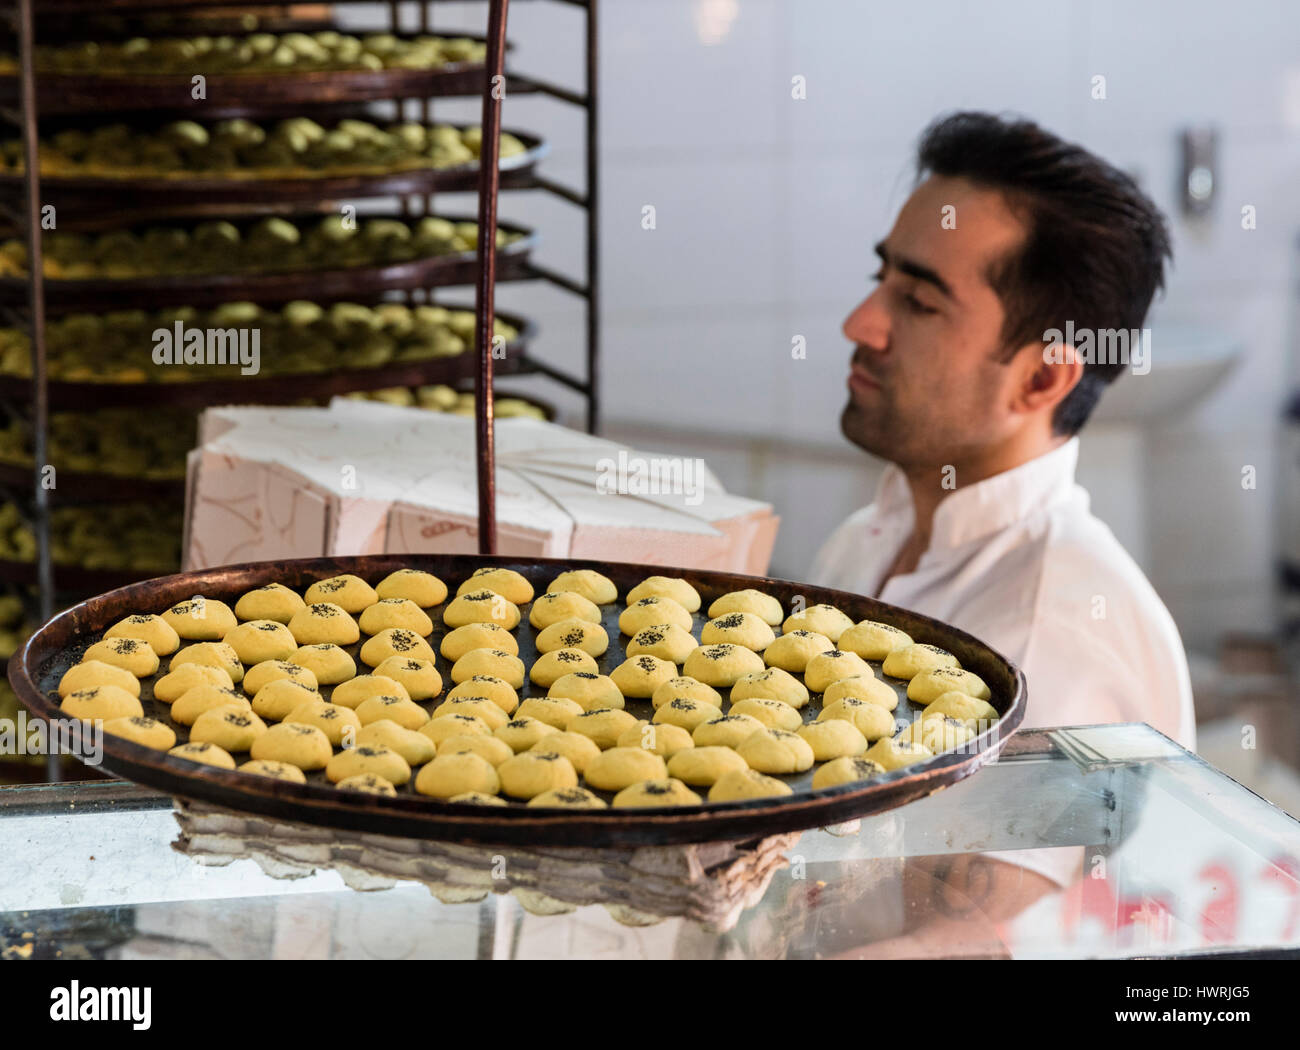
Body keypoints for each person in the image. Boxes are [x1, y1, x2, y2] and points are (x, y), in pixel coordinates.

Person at [811, 111, 1195, 754]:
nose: (860, 324)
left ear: (1042, 379)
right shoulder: (870, 537)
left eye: (920, 303)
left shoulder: (1049, 640)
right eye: (882, 280)